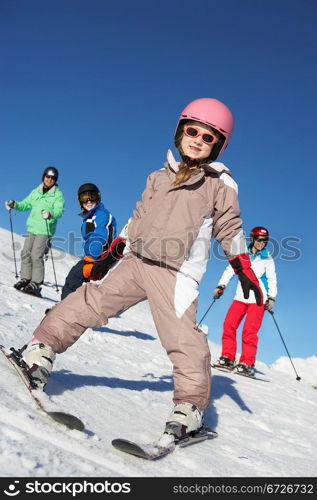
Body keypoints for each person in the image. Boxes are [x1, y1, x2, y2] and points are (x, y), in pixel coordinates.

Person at [17, 98, 263, 443]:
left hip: (177, 273)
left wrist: (242, 268)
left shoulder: (220, 184)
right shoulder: (158, 176)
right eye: (192, 131)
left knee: (182, 337)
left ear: (219, 145)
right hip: (136, 261)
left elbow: (230, 228)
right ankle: (40, 349)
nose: (197, 140)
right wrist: (109, 255)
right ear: (180, 131)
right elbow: (136, 220)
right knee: (90, 300)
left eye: (208, 137)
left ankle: (190, 409)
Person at [213, 226, 277, 376]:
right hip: (240, 297)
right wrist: (221, 285)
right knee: (229, 325)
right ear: (252, 238)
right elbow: (230, 270)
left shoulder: (267, 258)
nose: (262, 243)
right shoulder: (242, 255)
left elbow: (272, 278)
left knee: (249, 332)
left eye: (265, 241)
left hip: (258, 299)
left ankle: (247, 363)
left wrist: (272, 297)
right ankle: (228, 358)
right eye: (259, 240)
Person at [5, 167, 65, 297]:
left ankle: (36, 283)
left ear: (55, 180)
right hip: (32, 228)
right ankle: (26, 278)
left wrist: (50, 213)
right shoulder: (36, 191)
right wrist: (14, 205)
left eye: (53, 178)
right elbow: (25, 204)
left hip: (45, 229)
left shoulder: (57, 195)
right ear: (43, 177)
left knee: (36, 255)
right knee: (25, 252)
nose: (49, 180)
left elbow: (60, 211)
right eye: (47, 177)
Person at [61, 183, 125, 300]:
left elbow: (99, 237)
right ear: (80, 201)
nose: (89, 201)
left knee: (73, 277)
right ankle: (73, 308)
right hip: (95, 256)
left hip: (100, 258)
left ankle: (65, 306)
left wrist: (91, 259)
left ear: (98, 198)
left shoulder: (101, 214)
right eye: (84, 198)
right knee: (78, 280)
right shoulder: (90, 217)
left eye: (92, 196)